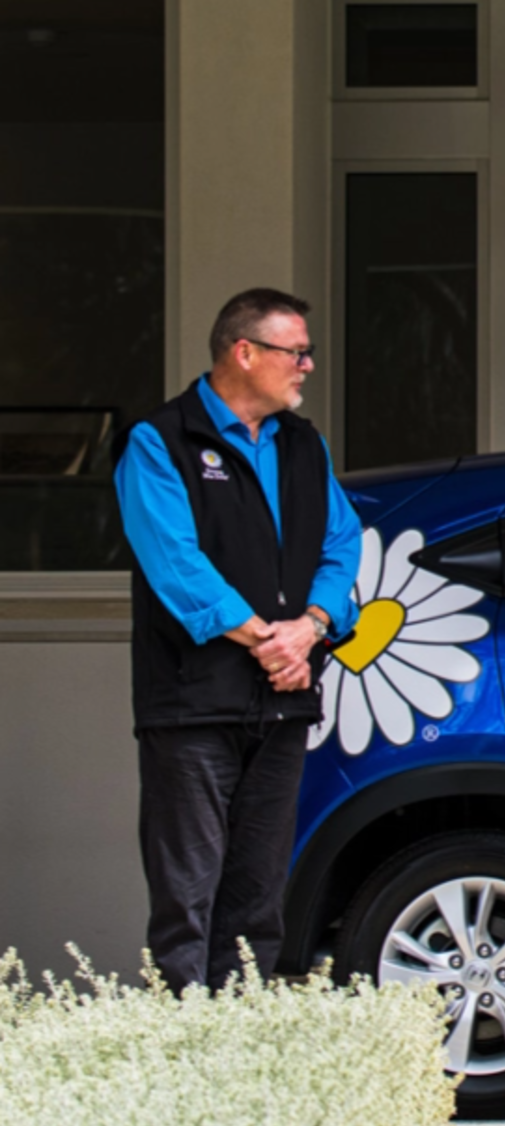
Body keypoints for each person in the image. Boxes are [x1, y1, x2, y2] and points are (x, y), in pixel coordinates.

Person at [114, 287, 361, 992]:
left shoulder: (304, 444)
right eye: (296, 352)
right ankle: (187, 1037)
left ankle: (243, 1029)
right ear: (244, 352)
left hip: (281, 704)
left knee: (257, 895)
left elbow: (342, 545)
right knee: (187, 896)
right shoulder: (159, 441)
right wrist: (269, 641)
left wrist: (310, 627)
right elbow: (176, 565)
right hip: (192, 707)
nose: (307, 366)